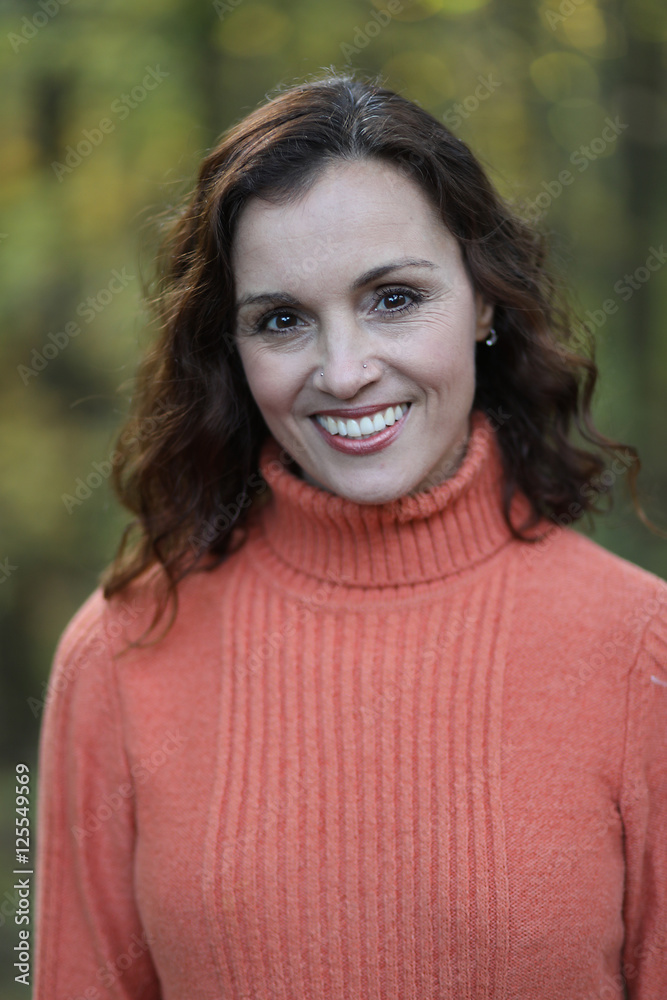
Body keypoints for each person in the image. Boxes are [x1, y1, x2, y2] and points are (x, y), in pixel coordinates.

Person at [34, 71, 667, 1000]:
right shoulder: (122, 651)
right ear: (233, 350)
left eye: (394, 298)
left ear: (482, 300)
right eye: (282, 320)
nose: (343, 371)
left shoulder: (640, 650)